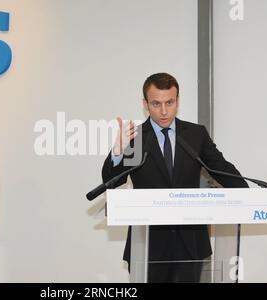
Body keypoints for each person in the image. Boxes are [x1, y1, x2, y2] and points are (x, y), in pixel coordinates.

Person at [101, 73, 248, 282]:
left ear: (177, 100)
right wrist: (117, 151)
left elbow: (222, 169)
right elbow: (112, 181)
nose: (163, 111)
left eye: (169, 102)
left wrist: (249, 197)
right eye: (156, 103)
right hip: (148, 245)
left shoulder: (195, 135)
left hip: (190, 244)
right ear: (145, 104)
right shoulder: (136, 138)